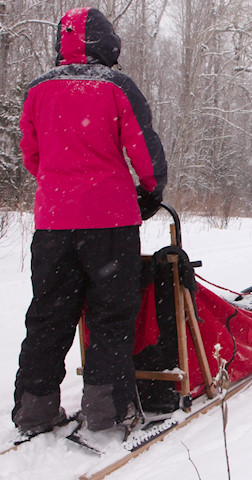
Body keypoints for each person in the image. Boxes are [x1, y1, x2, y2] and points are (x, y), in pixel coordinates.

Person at [12, 7, 167, 435]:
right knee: (111, 316)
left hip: (53, 224)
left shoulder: (38, 89)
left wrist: (62, 185)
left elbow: (32, 153)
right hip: (110, 223)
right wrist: (152, 191)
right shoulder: (116, 86)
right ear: (107, 44)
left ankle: (35, 407)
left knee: (48, 315)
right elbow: (143, 144)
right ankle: (105, 408)